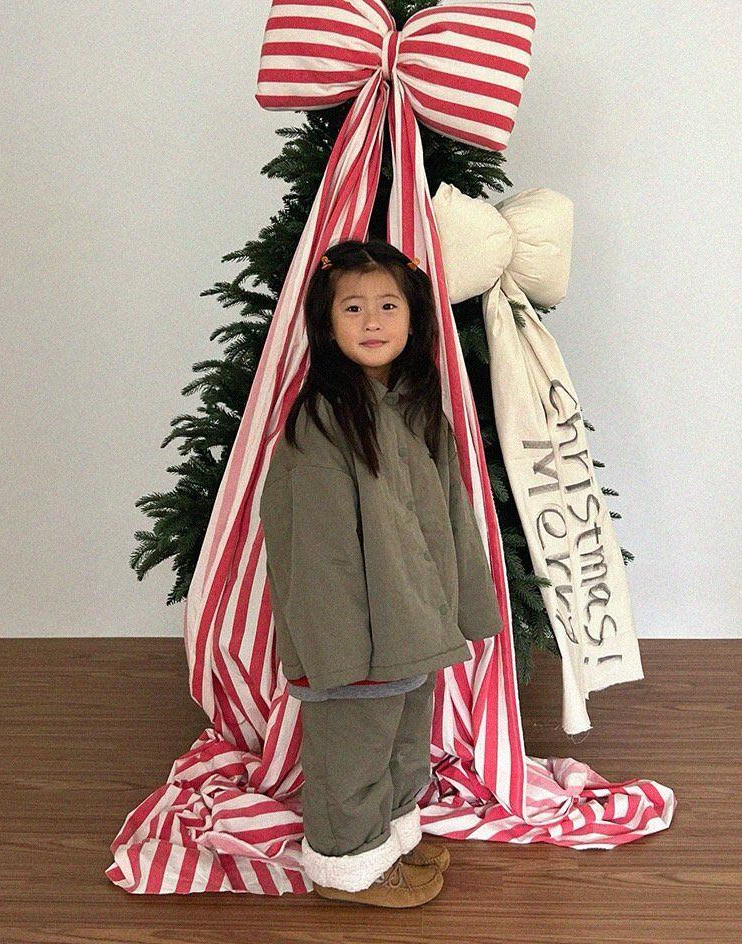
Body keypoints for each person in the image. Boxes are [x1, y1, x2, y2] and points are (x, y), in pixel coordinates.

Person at [258, 238, 505, 907]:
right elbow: (317, 554)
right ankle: (347, 865)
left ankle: (389, 838)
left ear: (413, 316)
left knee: (400, 743)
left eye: (388, 305)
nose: (372, 321)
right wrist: (336, 652)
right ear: (327, 322)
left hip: (412, 623)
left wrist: (462, 610)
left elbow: (453, 519)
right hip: (356, 639)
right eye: (353, 307)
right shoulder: (324, 422)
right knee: (352, 753)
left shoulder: (417, 408)